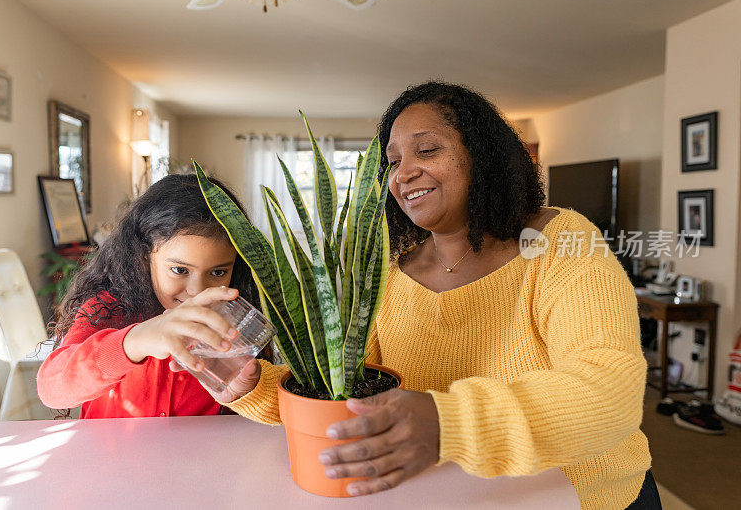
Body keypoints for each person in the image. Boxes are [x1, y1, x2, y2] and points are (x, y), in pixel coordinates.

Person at [206, 82, 660, 510]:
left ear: (482, 157)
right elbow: (346, 393)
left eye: (427, 149)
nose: (404, 173)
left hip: (583, 498)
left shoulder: (559, 242)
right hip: (451, 497)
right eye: (393, 160)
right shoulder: (389, 272)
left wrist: (448, 422)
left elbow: (610, 389)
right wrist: (254, 387)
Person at [37, 174, 260, 418]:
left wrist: (247, 394)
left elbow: (257, 409)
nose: (197, 291)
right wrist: (135, 341)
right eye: (179, 270)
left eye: (218, 272)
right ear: (144, 256)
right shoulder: (108, 307)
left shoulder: (237, 325)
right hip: (111, 455)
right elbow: (51, 388)